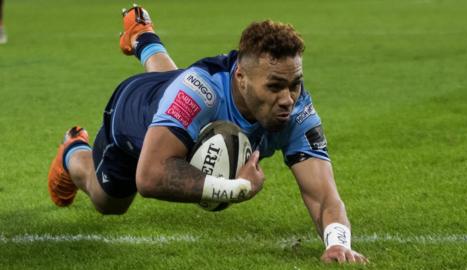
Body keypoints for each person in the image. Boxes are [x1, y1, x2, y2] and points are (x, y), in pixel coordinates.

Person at [47, 5, 368, 264]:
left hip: (177, 98)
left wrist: (337, 243)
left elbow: (323, 193)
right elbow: (149, 177)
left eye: (294, 83)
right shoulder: (200, 91)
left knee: (179, 93)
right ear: (240, 77)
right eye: (274, 86)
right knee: (108, 202)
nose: (287, 98)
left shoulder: (296, 110)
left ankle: (143, 38)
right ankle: (73, 151)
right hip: (135, 112)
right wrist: (234, 188)